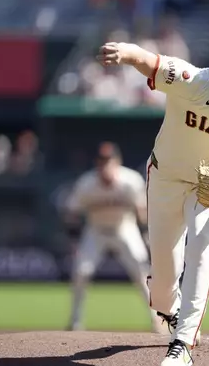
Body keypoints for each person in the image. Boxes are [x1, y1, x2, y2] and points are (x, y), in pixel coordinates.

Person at [97, 26, 209, 366]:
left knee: (202, 253)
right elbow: (150, 62)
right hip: (165, 177)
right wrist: (125, 52)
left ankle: (183, 344)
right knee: (163, 279)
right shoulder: (195, 80)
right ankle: (169, 308)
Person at [63, 141, 162, 333]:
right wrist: (74, 240)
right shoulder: (87, 184)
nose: (105, 165)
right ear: (96, 163)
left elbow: (142, 212)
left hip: (125, 229)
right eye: (101, 161)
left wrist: (146, 234)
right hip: (96, 231)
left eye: (109, 160)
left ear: (117, 161)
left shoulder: (131, 181)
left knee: (142, 274)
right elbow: (71, 213)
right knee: (81, 273)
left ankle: (156, 320)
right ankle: (75, 321)